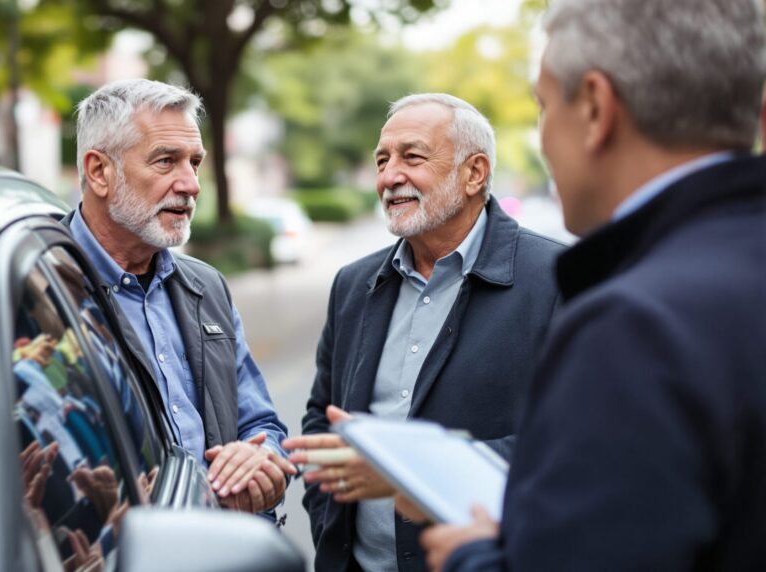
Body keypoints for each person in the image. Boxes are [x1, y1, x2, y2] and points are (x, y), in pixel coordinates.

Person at [422, 1, 766, 570]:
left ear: (596, 109)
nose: (542, 137)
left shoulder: (635, 327)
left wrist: (477, 556)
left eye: (543, 104)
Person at [283, 94, 563, 571]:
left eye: (412, 157)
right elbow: (320, 415)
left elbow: (572, 444)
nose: (390, 176)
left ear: (474, 173)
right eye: (382, 160)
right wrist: (328, 517)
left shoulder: (558, 280)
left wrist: (408, 473)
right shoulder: (354, 284)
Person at [64, 79, 295, 514]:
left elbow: (262, 424)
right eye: (166, 161)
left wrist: (264, 462)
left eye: (195, 162)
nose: (191, 185)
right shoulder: (42, 286)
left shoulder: (205, 287)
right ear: (99, 172)